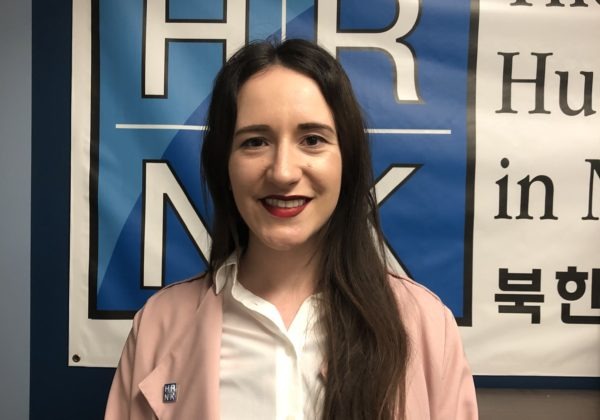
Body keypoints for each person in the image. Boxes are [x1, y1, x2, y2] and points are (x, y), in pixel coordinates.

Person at [105, 39, 478, 420]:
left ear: (346, 160)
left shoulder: (427, 327)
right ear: (225, 165)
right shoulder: (158, 326)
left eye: (312, 140)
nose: (283, 172)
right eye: (255, 142)